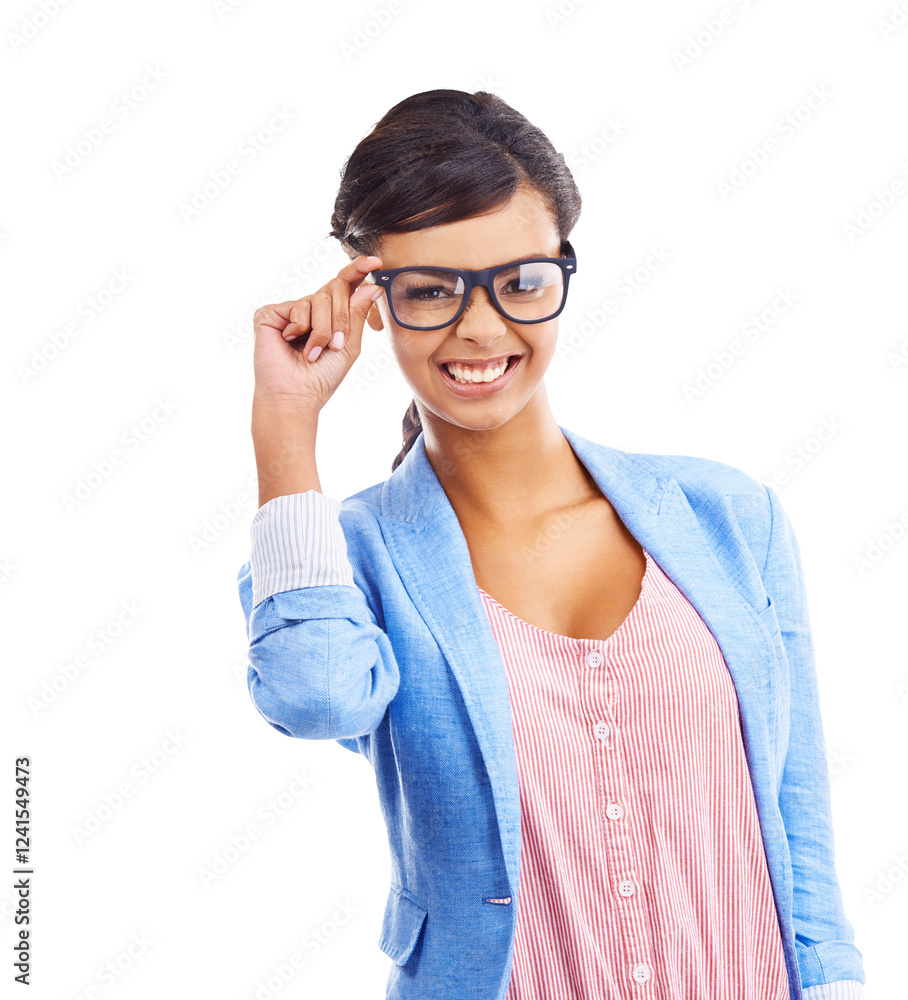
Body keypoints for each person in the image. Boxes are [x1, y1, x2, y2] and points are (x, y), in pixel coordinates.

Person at [236, 89, 866, 1000]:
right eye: (431, 290)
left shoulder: (728, 517)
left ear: (563, 271)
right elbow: (316, 696)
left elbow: (799, 824)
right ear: (371, 299)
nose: (481, 328)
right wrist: (286, 424)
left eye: (521, 281)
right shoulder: (341, 560)